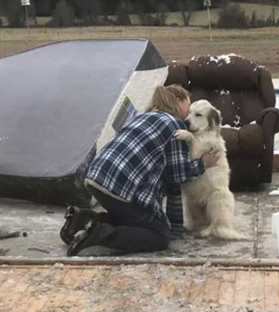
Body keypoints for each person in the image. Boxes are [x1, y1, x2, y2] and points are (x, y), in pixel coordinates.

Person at [59, 85, 220, 256]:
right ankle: (97, 235)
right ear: (178, 102)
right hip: (120, 186)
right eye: (188, 107)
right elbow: (177, 175)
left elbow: (171, 180)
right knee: (158, 235)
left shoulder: (143, 116)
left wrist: (176, 228)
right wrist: (203, 164)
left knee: (134, 220)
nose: (188, 116)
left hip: (97, 177)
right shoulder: (174, 124)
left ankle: (81, 219)